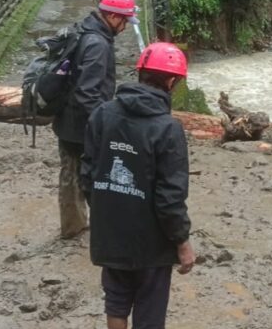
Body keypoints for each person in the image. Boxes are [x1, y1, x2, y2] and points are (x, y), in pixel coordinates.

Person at [81, 42, 195, 329]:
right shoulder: (168, 129)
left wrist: (106, 208)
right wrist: (182, 241)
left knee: (116, 303)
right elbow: (170, 197)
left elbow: (87, 173)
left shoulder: (102, 114)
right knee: (149, 313)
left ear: (140, 72)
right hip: (151, 243)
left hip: (109, 232)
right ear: (171, 81)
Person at [52, 0, 139, 239]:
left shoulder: (84, 30)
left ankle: (74, 226)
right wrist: (104, 123)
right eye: (124, 21)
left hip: (67, 121)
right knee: (92, 176)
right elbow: (87, 92)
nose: (124, 27)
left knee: (71, 174)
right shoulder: (98, 44)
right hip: (81, 127)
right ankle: (94, 229)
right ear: (112, 17)